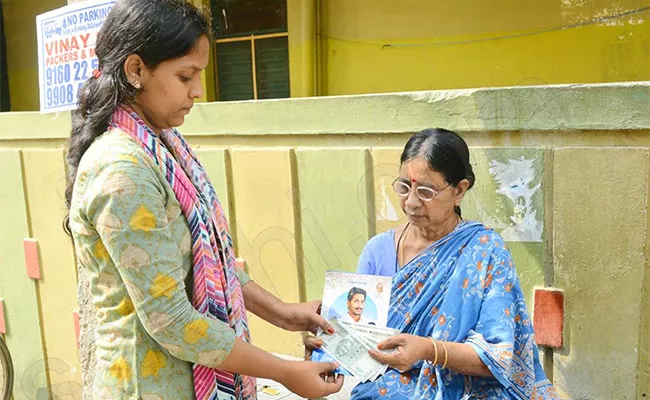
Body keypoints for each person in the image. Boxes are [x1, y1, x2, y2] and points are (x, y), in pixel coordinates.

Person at [63, 1, 343, 399]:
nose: (197, 91)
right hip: (150, 387)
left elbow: (206, 262)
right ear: (136, 70)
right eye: (185, 76)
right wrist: (285, 372)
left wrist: (283, 313)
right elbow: (172, 319)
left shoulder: (163, 146)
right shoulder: (124, 170)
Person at [306, 128, 558, 399]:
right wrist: (328, 346)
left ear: (459, 190)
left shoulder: (485, 252)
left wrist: (429, 350)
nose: (411, 202)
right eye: (404, 187)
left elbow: (499, 358)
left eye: (426, 191)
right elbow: (361, 345)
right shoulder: (377, 252)